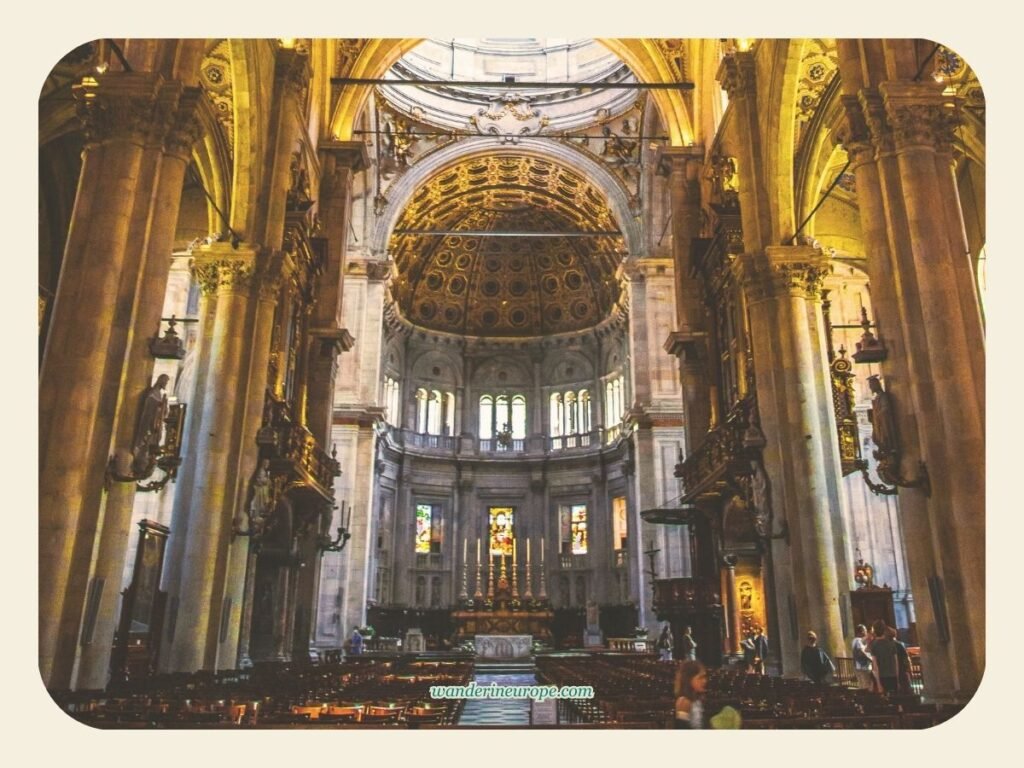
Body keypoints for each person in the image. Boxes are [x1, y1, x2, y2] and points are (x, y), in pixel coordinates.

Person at [673, 660, 707, 729]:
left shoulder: (697, 700)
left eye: (705, 677)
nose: (704, 681)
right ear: (689, 679)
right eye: (700, 678)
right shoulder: (684, 702)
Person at [868, 619, 899, 694]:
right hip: (892, 675)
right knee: (895, 700)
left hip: (881, 676)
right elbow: (896, 662)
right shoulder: (891, 643)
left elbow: (875, 666)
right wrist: (897, 679)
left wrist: (878, 684)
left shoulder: (874, 645)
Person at [851, 624, 874, 690]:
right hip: (862, 667)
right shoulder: (858, 640)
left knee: (862, 686)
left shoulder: (856, 640)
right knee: (866, 686)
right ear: (861, 631)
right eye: (865, 630)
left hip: (859, 667)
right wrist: (870, 659)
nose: (866, 632)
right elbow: (861, 651)